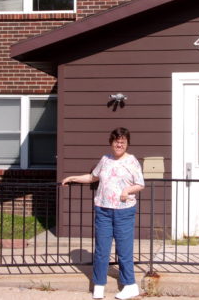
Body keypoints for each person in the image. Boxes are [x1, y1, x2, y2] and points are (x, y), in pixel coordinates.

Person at [62, 127, 145, 300]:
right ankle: (99, 285)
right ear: (111, 142)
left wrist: (128, 190)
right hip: (103, 210)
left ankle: (130, 286)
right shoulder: (105, 159)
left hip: (124, 211)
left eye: (122, 141)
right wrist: (73, 178)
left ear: (127, 143)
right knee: (101, 250)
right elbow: (93, 177)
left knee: (124, 250)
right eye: (116, 141)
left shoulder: (132, 161)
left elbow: (140, 184)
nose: (119, 144)